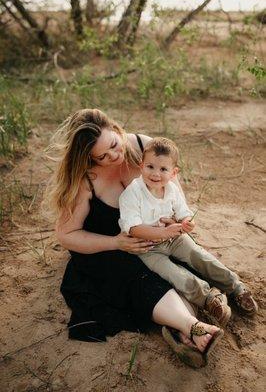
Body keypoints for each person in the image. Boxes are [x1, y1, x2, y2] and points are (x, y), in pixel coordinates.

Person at [45, 109, 233, 368]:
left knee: (183, 266)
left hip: (155, 236)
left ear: (115, 128)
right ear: (89, 158)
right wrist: (116, 242)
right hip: (108, 244)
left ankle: (180, 333)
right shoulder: (86, 180)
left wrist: (173, 219)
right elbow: (66, 235)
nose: (114, 155)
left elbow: (172, 189)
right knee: (137, 276)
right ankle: (193, 327)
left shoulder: (145, 147)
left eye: (113, 144)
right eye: (102, 156)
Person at [119, 137, 258, 327]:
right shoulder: (132, 193)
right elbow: (134, 229)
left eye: (163, 169)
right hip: (147, 248)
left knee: (199, 256)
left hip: (174, 239)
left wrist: (187, 223)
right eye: (150, 167)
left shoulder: (172, 190)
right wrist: (165, 233)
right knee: (173, 274)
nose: (155, 174)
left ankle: (235, 287)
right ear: (141, 165)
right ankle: (208, 299)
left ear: (173, 172)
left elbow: (185, 214)